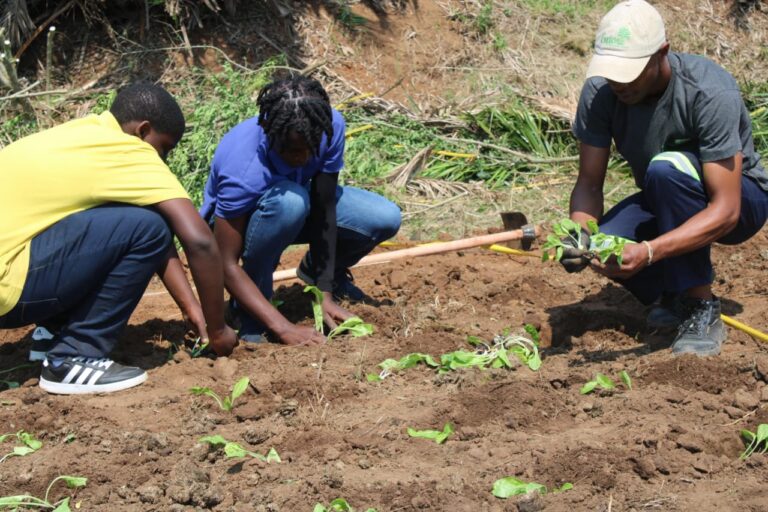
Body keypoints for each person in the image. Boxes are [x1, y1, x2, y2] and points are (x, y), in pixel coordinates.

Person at [0, 83, 237, 394]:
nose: (163, 160)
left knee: (128, 222)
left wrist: (190, 307)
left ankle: (52, 333)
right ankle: (74, 356)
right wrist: (217, 329)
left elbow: (128, 230)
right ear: (143, 130)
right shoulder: (129, 150)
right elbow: (199, 241)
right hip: (7, 288)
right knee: (147, 227)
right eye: (164, 149)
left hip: (14, 267)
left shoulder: (83, 135)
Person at [562, 0, 768, 356]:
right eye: (612, 71)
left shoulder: (708, 90)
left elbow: (727, 210)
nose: (618, 83)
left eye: (630, 71)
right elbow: (589, 184)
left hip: (740, 200)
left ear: (662, 53)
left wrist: (649, 251)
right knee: (605, 242)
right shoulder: (600, 93)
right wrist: (579, 234)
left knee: (665, 167)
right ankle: (674, 295)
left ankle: (700, 306)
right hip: (665, 195)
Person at [200, 75, 401, 345]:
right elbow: (224, 262)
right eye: (292, 151)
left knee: (384, 217)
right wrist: (283, 328)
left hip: (298, 208)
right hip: (244, 222)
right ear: (270, 133)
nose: (302, 158)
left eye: (310, 148)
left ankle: (318, 273)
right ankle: (247, 310)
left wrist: (324, 290)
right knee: (290, 202)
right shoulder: (243, 167)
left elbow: (324, 207)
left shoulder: (328, 126)